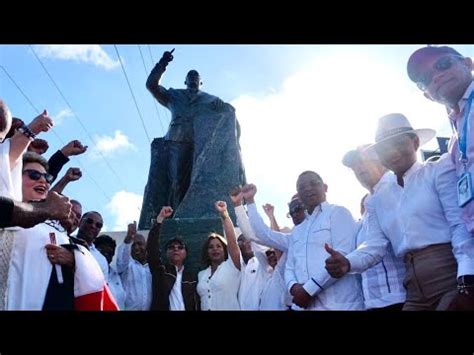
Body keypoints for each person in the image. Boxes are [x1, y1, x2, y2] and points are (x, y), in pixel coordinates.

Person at [325, 113, 474, 310]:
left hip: (449, 275)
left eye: (398, 142)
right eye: (384, 147)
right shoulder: (377, 199)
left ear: (415, 141)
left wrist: (466, 279)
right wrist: (348, 263)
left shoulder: (438, 170)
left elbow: (459, 225)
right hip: (412, 288)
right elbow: (374, 245)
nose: (392, 151)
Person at [146, 49, 232, 211]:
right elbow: (151, 85)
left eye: (196, 77)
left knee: (201, 182)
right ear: (185, 81)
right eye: (190, 76)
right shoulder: (174, 95)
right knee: (177, 181)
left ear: (201, 82)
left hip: (202, 145)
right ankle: (176, 215)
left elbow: (228, 114)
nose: (193, 78)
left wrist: (223, 108)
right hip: (176, 142)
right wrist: (162, 63)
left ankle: (198, 214)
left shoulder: (210, 99)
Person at [341, 144, 406, 310]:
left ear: (382, 160)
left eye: (364, 161)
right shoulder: (367, 211)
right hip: (374, 302)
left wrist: (347, 263)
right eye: (355, 166)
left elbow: (376, 246)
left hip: (401, 297)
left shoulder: (397, 187)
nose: (359, 168)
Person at [146, 206, 199, 310]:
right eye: (171, 247)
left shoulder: (192, 278)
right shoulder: (160, 271)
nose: (176, 249)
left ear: (185, 253)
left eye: (180, 247)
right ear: (166, 253)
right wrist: (160, 219)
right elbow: (152, 249)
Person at [196, 201, 242, 310]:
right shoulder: (201, 274)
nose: (215, 249)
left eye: (218, 246)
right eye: (211, 247)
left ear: (224, 249)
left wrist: (224, 214)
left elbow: (232, 242)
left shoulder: (232, 266)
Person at [116, 221, 152, 310]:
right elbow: (121, 261)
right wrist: (128, 239)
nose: (136, 248)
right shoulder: (127, 266)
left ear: (146, 246)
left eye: (140, 244)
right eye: (133, 245)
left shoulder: (153, 268)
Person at [95, 234, 126, 310]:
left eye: (110, 253)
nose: (106, 256)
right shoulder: (90, 272)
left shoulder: (116, 275)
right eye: (103, 252)